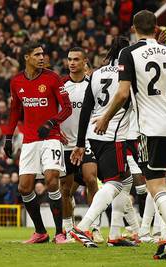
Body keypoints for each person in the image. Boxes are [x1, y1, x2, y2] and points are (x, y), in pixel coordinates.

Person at [93, 10, 166, 260]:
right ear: (156, 27)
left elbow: (123, 93)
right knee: (159, 182)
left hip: (149, 127)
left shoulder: (129, 53)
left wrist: (104, 117)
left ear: (134, 29)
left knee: (155, 186)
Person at [70, 37, 139, 247]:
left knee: (125, 180)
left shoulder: (96, 74)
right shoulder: (127, 73)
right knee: (116, 183)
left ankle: (116, 234)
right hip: (113, 136)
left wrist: (80, 143)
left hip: (93, 135)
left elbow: (85, 111)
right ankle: (84, 228)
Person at [4, 41, 72, 244]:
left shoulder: (52, 78)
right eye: (37, 54)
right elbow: (15, 110)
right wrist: (8, 137)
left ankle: (60, 233)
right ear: (26, 57)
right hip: (29, 140)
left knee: (52, 180)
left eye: (43, 54)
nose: (42, 57)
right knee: (24, 188)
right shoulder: (16, 81)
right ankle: (41, 232)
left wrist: (52, 122)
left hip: (51, 138)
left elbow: (67, 108)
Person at [60, 47, 102, 243]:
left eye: (76, 59)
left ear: (85, 61)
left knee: (91, 179)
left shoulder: (92, 85)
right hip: (66, 144)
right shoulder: (60, 86)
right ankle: (68, 229)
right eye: (69, 59)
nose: (72, 63)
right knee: (66, 190)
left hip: (86, 142)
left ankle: (94, 227)